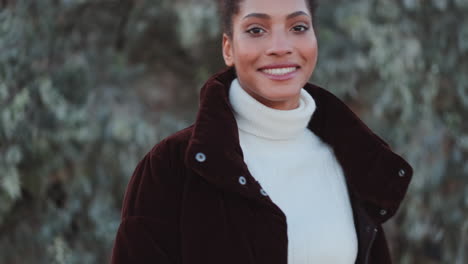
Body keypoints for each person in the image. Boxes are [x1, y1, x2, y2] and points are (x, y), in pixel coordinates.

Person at [110, 0, 413, 263]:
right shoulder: (170, 166)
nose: (280, 47)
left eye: (298, 27)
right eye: (256, 30)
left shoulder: (352, 160)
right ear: (229, 48)